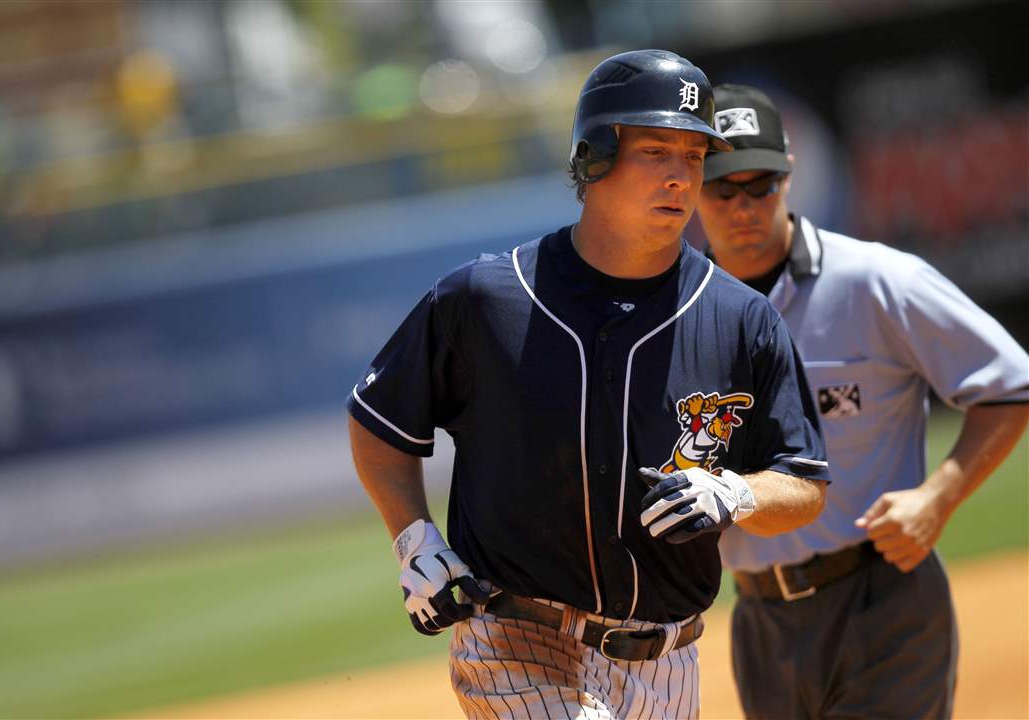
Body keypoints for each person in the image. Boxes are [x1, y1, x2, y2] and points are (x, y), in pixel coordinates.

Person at [347, 52, 831, 720]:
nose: (680, 175)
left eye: (694, 156)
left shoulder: (741, 318)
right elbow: (378, 422)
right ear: (594, 156)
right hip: (517, 641)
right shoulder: (487, 298)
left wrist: (739, 492)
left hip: (668, 663)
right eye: (656, 151)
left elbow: (805, 482)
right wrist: (414, 539)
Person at [697, 84, 1029, 720]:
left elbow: (1009, 384)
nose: (744, 205)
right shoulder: (679, 315)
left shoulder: (876, 281)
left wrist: (939, 496)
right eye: (722, 188)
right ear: (690, 188)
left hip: (883, 607)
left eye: (761, 184)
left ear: (789, 174)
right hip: (760, 623)